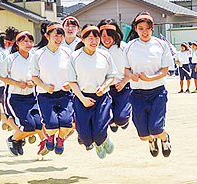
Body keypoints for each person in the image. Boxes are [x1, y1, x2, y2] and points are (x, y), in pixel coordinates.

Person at [124, 12, 173, 157]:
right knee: (143, 134)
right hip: (137, 94)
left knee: (156, 128)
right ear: (135, 29)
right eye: (140, 28)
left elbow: (165, 70)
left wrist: (150, 78)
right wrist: (131, 75)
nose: (144, 32)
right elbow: (126, 69)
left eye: (147, 28)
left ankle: (164, 138)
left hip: (157, 93)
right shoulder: (130, 46)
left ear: (152, 28)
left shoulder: (161, 45)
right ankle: (151, 141)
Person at [68, 24, 117, 159]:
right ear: (82, 39)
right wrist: (83, 99)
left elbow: (111, 75)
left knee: (99, 133)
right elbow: (72, 81)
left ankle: (103, 140)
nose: (94, 41)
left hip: (101, 98)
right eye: (90, 38)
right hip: (81, 98)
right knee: (85, 138)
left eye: (96, 37)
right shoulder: (75, 57)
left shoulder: (105, 55)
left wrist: (103, 86)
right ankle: (97, 143)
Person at [0, 31, 47, 156]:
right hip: (15, 97)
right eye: (24, 41)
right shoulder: (10, 58)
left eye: (30, 41)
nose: (28, 44)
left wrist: (34, 83)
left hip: (31, 96)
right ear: (18, 43)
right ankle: (13, 140)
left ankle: (16, 139)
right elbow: (2, 77)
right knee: (28, 126)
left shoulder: (35, 57)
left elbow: (40, 76)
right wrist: (16, 83)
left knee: (38, 124)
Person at [31, 23, 74, 155]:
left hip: (65, 94)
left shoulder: (68, 53)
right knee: (51, 124)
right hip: (45, 95)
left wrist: (70, 84)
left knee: (67, 123)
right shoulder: (38, 54)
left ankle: (60, 139)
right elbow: (34, 76)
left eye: (61, 36)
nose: (59, 39)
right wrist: (44, 86)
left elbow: (75, 73)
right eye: (55, 36)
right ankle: (50, 137)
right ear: (47, 36)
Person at [97, 18, 131, 132]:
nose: (106, 39)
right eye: (103, 36)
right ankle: (112, 121)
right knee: (108, 117)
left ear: (115, 35)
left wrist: (124, 82)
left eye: (109, 36)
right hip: (104, 88)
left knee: (121, 119)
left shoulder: (124, 47)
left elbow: (132, 67)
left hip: (122, 86)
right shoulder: (96, 49)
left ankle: (122, 120)